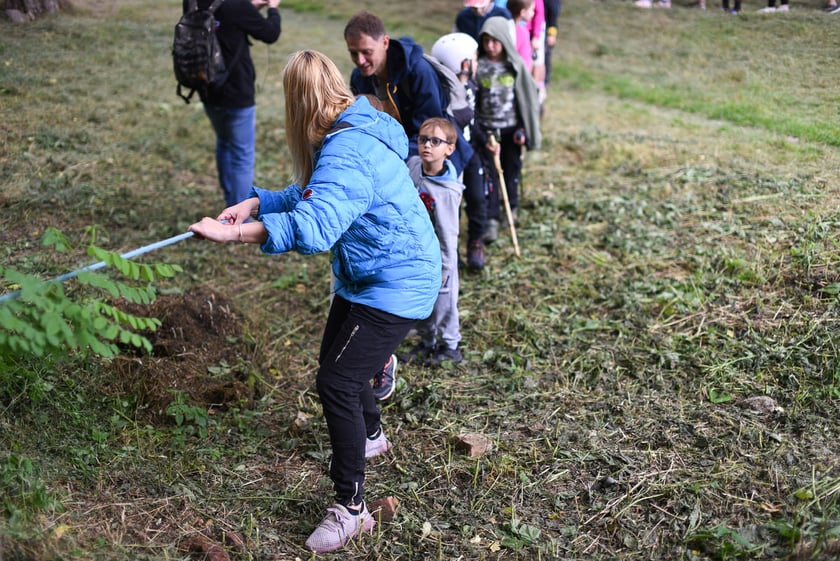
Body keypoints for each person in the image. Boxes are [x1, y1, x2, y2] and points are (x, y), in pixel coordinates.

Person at [188, 50, 441, 553]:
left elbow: (316, 224)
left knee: (338, 380)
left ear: (298, 102)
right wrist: (256, 202)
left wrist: (231, 237)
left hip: (398, 279)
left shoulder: (347, 148)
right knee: (339, 365)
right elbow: (315, 193)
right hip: (373, 271)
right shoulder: (356, 123)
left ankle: (351, 508)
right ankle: (370, 436)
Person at [344, 10, 473, 175]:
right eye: (353, 53)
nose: (360, 60)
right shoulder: (359, 77)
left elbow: (430, 131)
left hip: (432, 165)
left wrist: (387, 159)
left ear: (385, 42)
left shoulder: (418, 72)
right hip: (389, 164)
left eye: (367, 52)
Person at [184, 0, 282, 208]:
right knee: (242, 156)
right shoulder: (237, 5)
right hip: (237, 92)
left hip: (206, 86)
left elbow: (221, 23)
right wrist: (273, 8)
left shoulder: (192, 1)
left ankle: (230, 199)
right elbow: (270, 33)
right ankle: (238, 219)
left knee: (224, 141)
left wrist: (250, 8)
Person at [403, 118, 465, 365]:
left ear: (449, 149)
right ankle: (427, 342)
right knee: (423, 300)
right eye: (423, 139)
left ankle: (451, 346)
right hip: (417, 251)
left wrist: (445, 268)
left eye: (436, 141)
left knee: (444, 303)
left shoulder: (447, 192)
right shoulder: (414, 165)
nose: (427, 145)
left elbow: (449, 235)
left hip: (441, 261)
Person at [475, 16, 541, 244]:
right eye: (486, 42)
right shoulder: (479, 67)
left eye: (495, 41)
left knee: (511, 170)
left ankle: (511, 207)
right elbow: (474, 99)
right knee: (491, 175)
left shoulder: (515, 67)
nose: (491, 46)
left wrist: (523, 128)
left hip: (511, 130)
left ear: (504, 40)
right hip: (488, 131)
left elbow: (526, 99)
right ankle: (491, 219)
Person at [431, 32, 489, 271]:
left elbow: (475, 120)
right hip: (452, 157)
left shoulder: (473, 86)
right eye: (474, 58)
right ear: (464, 64)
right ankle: (450, 248)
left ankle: (476, 241)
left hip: (472, 151)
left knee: (477, 198)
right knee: (452, 204)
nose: (477, 62)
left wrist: (486, 140)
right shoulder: (442, 93)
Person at [543, 0, 560, 86]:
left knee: (545, 58)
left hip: (546, 30)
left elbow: (554, 16)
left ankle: (544, 83)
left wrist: (552, 34)